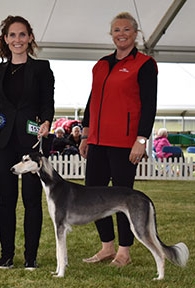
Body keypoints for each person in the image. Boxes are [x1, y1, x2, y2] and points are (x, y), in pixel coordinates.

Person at [79, 12, 157, 267]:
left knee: (123, 199)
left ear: (136, 34)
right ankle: (106, 248)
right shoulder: (101, 64)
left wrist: (142, 140)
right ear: (111, 34)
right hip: (98, 142)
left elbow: (149, 106)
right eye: (116, 30)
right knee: (93, 196)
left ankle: (124, 251)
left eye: (126, 30)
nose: (121, 34)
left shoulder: (144, 64)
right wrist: (85, 134)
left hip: (125, 143)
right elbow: (93, 101)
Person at [0, 15, 54, 269]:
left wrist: (47, 122)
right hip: (3, 143)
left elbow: (48, 102)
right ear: (5, 39)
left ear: (30, 37)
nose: (17, 40)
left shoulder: (42, 68)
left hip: (31, 143)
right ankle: (6, 255)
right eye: (12, 35)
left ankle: (30, 257)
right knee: (6, 200)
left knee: (32, 200)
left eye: (22, 34)